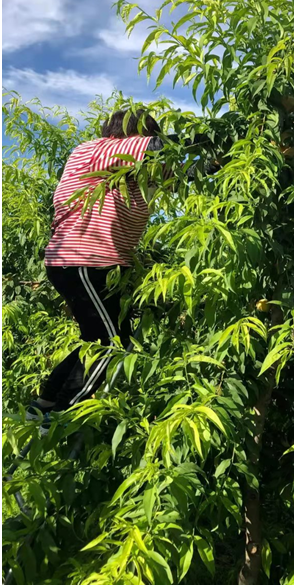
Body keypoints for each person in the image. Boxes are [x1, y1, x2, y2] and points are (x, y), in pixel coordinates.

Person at [26, 109, 218, 435]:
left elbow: (188, 172)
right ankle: (63, 415)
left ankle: (44, 404)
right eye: (145, 136)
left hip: (100, 265)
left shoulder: (138, 170)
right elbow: (159, 147)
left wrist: (227, 156)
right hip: (83, 260)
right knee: (110, 343)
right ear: (132, 135)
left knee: (98, 338)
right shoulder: (99, 150)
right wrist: (210, 135)